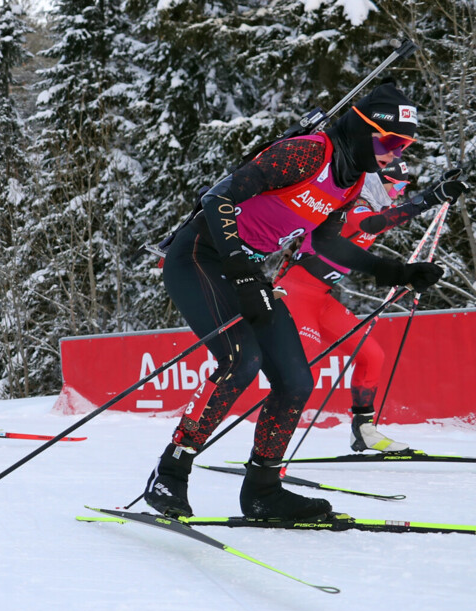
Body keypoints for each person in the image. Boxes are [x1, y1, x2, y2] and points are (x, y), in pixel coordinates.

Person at [141, 83, 465, 521]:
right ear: (363, 130)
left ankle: (263, 490)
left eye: (405, 145)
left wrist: (396, 272)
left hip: (245, 267)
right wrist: (238, 266)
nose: (396, 154)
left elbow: (328, 244)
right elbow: (217, 197)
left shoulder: (349, 184)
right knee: (241, 360)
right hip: (200, 254)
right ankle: (171, 472)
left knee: (295, 380)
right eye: (391, 142)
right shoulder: (308, 153)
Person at [277, 161, 437, 453]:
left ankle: (363, 431)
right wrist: (428, 200)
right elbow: (371, 224)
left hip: (321, 298)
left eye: (404, 189)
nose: (399, 194)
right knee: (299, 375)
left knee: (372, 355)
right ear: (379, 182)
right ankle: (267, 455)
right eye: (397, 186)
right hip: (296, 294)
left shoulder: (372, 207)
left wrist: (438, 192)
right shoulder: (354, 206)